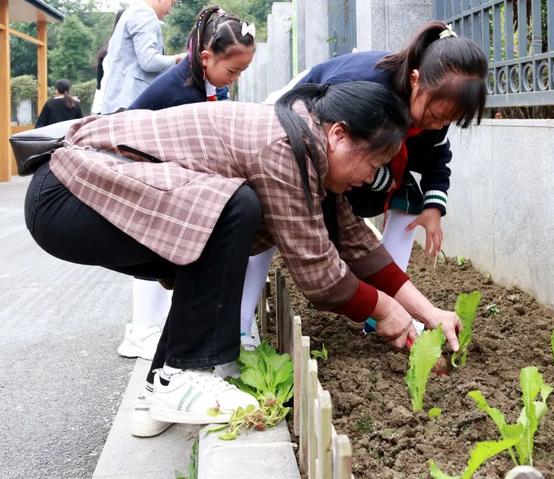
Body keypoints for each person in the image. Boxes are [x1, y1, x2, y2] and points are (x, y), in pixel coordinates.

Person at [24, 81, 461, 436]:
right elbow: (320, 277)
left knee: (212, 235)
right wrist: (385, 310)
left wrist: (425, 313)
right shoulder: (283, 148)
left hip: (75, 196)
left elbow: (357, 245)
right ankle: (182, 374)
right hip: (68, 194)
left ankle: (158, 389)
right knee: (236, 209)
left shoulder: (309, 147)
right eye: (374, 162)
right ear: (339, 134)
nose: (371, 178)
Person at [249, 21, 488, 334]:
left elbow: (438, 156)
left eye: (447, 120)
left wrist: (432, 207)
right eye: (435, 115)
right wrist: (375, 178)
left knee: (403, 205)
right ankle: (242, 322)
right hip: (297, 135)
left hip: (356, 165)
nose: (437, 124)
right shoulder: (365, 85)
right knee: (268, 211)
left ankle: (387, 316)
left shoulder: (433, 112)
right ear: (415, 80)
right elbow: (320, 137)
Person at [128, 6, 257, 355]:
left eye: (242, 71)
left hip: (174, 170)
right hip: (145, 168)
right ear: (205, 57)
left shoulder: (209, 81)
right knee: (159, 244)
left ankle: (156, 327)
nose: (235, 78)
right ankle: (141, 329)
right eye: (232, 70)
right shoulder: (178, 92)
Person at [98, 0, 182, 361]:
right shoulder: (144, 15)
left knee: (143, 222)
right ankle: (144, 329)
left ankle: (147, 325)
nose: (172, 8)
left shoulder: (129, 16)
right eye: (172, 1)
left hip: (118, 117)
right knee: (148, 222)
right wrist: (179, 61)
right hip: (132, 122)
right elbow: (150, 62)